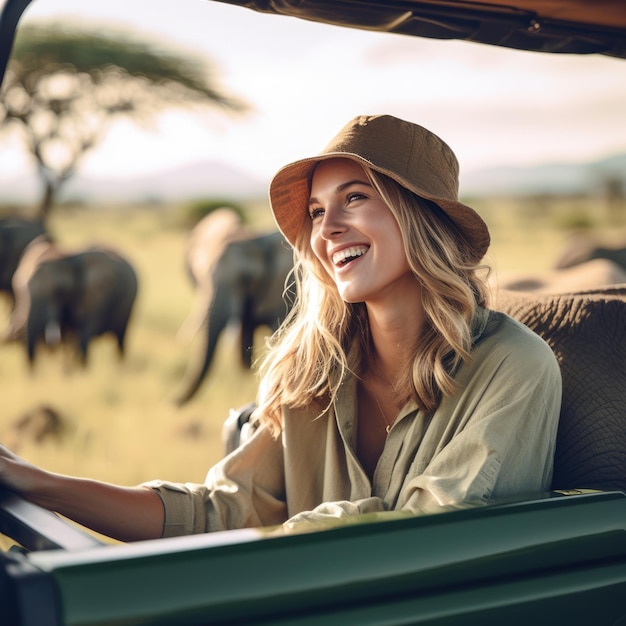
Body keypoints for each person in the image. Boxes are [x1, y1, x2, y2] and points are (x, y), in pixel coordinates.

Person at [0, 114, 562, 542]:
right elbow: (222, 511)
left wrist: (272, 537)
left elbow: (426, 535)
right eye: (317, 212)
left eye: (356, 199)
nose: (329, 228)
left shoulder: (515, 367)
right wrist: (38, 481)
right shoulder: (309, 369)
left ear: (421, 218)